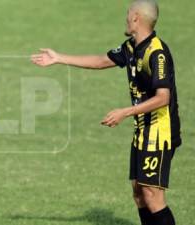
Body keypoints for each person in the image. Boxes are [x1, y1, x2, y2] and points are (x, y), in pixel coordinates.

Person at [31, 1, 180, 225]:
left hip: (160, 131)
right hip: (143, 129)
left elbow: (163, 98)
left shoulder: (156, 52)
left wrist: (125, 112)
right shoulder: (131, 47)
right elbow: (102, 61)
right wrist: (59, 58)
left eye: (128, 14)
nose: (126, 18)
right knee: (139, 193)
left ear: (137, 18)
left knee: (152, 195)